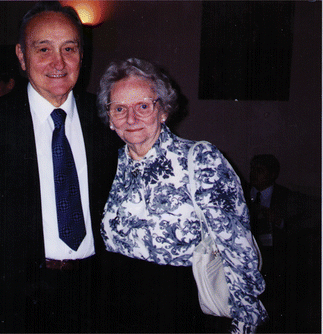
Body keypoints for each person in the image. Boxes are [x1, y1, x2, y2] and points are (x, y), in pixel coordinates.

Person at [0, 2, 118, 332]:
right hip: (14, 297)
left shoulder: (108, 120)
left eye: (69, 48)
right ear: (21, 55)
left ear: (81, 55)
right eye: (43, 48)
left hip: (94, 293)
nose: (58, 62)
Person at [97, 58, 268, 333]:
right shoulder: (106, 164)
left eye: (143, 106)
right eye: (120, 109)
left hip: (179, 309)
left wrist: (244, 320)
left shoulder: (200, 159)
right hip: (115, 307)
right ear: (110, 118)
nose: (131, 119)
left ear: (163, 110)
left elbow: (238, 251)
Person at [247, 154, 318, 332]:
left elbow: (312, 219)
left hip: (277, 257)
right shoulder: (242, 193)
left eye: (260, 170)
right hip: (249, 255)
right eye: (252, 169)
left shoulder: (287, 197)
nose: (253, 174)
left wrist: (280, 221)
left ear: (272, 175)